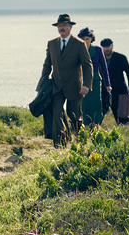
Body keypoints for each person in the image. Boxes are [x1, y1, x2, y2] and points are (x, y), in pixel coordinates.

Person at [39, 14, 93, 147]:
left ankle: (82, 143)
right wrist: (43, 81)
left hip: (75, 88)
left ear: (70, 27)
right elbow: (47, 64)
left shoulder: (79, 44)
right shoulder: (52, 44)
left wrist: (86, 85)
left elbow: (87, 65)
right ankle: (60, 144)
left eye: (64, 25)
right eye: (59, 25)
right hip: (57, 87)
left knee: (75, 117)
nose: (61, 28)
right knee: (57, 113)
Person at [77, 27, 111, 127]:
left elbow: (104, 68)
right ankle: (84, 126)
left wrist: (108, 84)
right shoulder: (78, 50)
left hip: (95, 81)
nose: (85, 41)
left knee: (96, 105)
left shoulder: (98, 49)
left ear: (92, 39)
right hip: (81, 81)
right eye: (83, 39)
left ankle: (95, 127)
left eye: (87, 39)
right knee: (84, 105)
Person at [101, 38, 129, 124]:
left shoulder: (121, 57)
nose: (106, 49)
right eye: (104, 47)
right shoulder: (99, 59)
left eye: (108, 46)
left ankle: (126, 134)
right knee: (100, 115)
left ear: (112, 46)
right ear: (102, 48)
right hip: (104, 91)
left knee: (124, 117)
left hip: (121, 90)